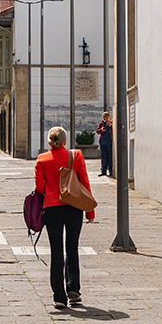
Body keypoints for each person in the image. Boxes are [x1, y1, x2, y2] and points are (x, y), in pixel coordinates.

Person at [34, 127, 95, 309]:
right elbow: (84, 182)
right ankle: (73, 289)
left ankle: (59, 297)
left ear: (49, 142)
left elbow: (39, 188)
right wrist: (89, 211)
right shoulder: (75, 156)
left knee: (56, 252)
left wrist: (51, 191)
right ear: (65, 141)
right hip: (74, 207)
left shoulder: (41, 159)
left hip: (52, 209)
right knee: (72, 248)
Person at [97, 112, 114, 178]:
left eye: (106, 117)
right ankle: (103, 171)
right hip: (103, 141)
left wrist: (110, 126)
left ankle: (110, 171)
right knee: (103, 156)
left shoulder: (111, 122)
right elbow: (97, 131)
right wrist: (101, 130)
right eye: (104, 118)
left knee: (109, 156)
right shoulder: (101, 123)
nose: (105, 119)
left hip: (109, 141)